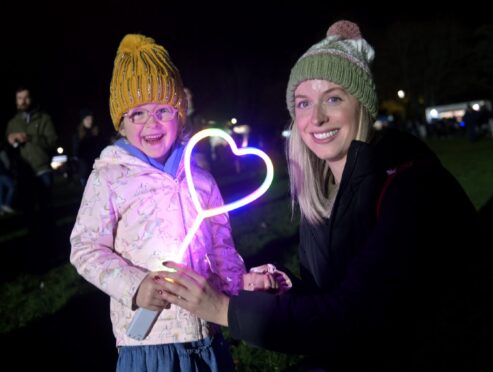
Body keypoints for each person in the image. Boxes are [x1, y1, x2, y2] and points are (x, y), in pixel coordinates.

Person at [157, 20, 485, 370]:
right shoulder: (325, 191)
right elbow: (336, 299)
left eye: (333, 98)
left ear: (362, 105)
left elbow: (353, 318)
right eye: (303, 103)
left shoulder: (411, 187)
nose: (316, 118)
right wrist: (288, 290)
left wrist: (224, 310)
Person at [70, 34, 288, 372]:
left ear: (180, 114)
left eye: (162, 110)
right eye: (137, 113)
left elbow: (221, 248)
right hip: (149, 344)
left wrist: (239, 285)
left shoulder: (200, 179)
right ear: (121, 123)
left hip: (206, 337)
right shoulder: (110, 178)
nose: (151, 123)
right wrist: (135, 286)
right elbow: (85, 248)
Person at [5, 87, 58, 215]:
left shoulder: (44, 118)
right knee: (28, 210)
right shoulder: (13, 123)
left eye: (26, 98)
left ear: (32, 98)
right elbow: (7, 147)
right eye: (19, 98)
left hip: (42, 170)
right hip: (24, 173)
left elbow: (52, 142)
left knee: (45, 208)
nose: (23, 101)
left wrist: (30, 138)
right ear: (16, 101)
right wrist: (10, 140)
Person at [72, 109, 105, 185]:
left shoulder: (97, 132)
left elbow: (103, 148)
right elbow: (76, 153)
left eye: (91, 118)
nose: (90, 121)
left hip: (98, 169)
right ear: (82, 120)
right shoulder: (78, 135)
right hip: (85, 170)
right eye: (87, 119)